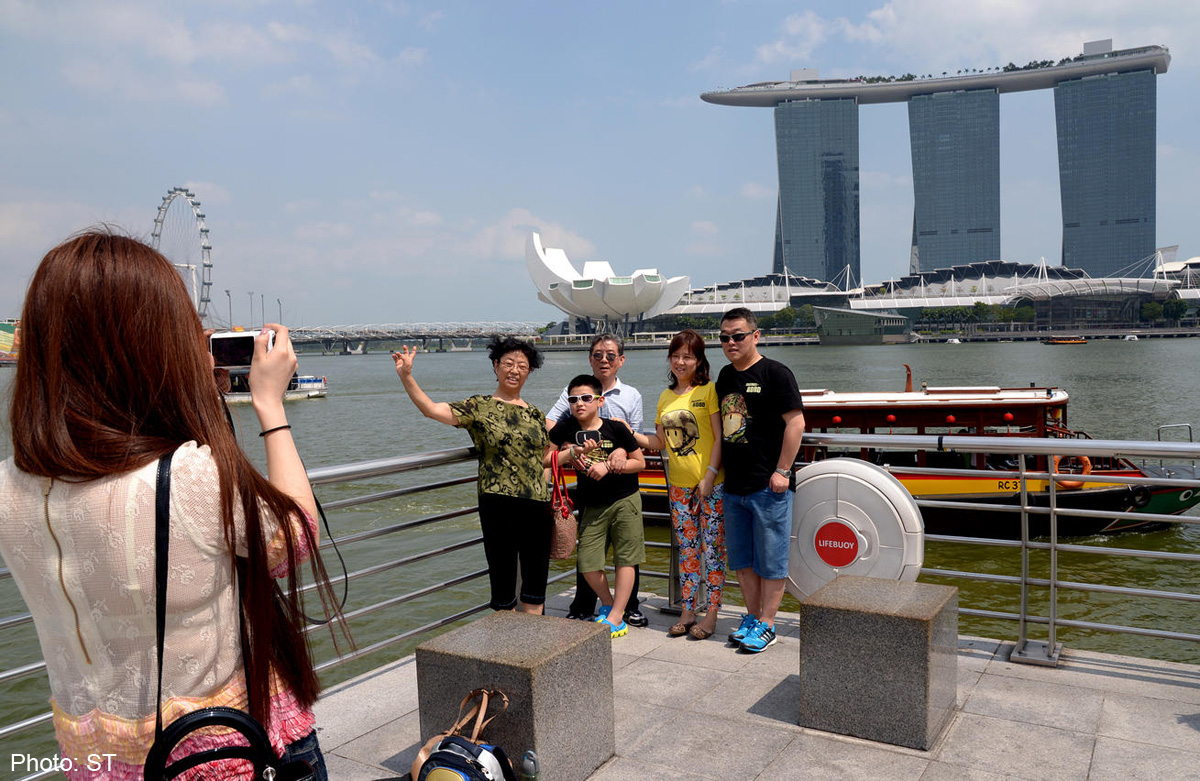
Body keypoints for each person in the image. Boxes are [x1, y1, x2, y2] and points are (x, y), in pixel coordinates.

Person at [0, 230, 344, 779]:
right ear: (153, 344)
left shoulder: (7, 485)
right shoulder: (187, 475)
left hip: (96, 758)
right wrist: (269, 406)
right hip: (218, 752)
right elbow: (293, 539)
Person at [394, 335, 553, 613]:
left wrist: (580, 450)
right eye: (508, 363)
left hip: (537, 503)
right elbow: (432, 410)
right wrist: (407, 376)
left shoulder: (537, 415)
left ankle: (533, 647)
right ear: (496, 366)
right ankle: (505, 650)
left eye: (522, 366)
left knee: (536, 582)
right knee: (503, 579)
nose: (514, 370)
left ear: (529, 371)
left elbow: (545, 458)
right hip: (498, 502)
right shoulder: (478, 406)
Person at [716, 307, 805, 654]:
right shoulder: (724, 376)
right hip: (733, 485)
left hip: (769, 486)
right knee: (741, 561)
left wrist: (783, 471)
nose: (731, 342)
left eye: (738, 335)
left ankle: (767, 624)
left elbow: (796, 423)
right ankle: (752, 617)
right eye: (724, 337)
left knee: (771, 561)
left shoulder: (776, 373)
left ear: (755, 335)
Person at [545, 333, 649, 627]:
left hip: (623, 489)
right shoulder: (573, 397)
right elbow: (551, 429)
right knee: (588, 558)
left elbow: (635, 440)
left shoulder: (630, 396)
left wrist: (618, 452)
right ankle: (596, 605)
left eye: (610, 355)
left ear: (621, 360)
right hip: (590, 495)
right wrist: (568, 450)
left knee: (627, 555)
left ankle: (625, 609)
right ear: (590, 358)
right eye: (598, 355)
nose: (604, 360)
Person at [632, 330, 725, 640]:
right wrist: (628, 434)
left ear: (699, 360)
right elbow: (659, 441)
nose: (681, 361)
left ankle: (710, 616)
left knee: (711, 551)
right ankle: (688, 612)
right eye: (676, 356)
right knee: (687, 552)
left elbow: (719, 436)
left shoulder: (709, 391)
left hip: (711, 486)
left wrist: (709, 475)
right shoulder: (665, 396)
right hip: (679, 488)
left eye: (688, 356)